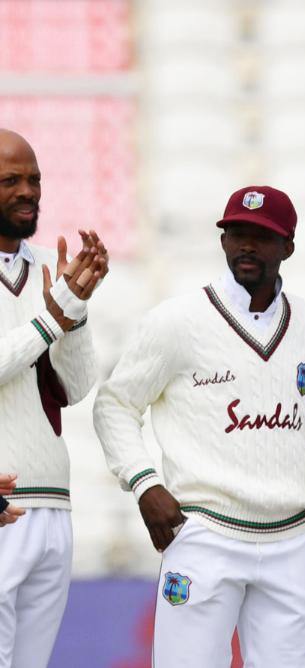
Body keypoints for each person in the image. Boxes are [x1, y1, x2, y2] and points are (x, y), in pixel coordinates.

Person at [93, 185, 305, 667]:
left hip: (293, 541)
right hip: (205, 534)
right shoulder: (177, 321)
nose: (247, 245)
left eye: (262, 236)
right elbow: (115, 404)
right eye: (236, 233)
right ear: (223, 241)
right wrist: (144, 484)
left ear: (288, 246)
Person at [0, 128, 107, 668]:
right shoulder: (53, 292)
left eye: (34, 180)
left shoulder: (51, 266)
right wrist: (54, 316)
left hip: (52, 503)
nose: (28, 191)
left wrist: (78, 310)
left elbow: (76, 385)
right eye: (11, 180)